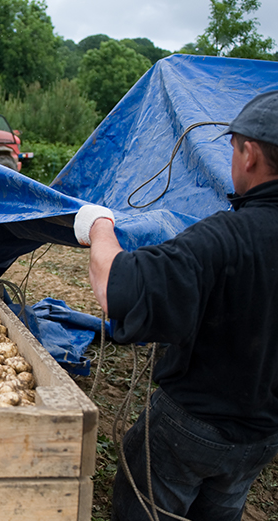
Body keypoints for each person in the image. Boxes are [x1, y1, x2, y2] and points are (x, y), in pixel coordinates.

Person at [73, 90, 278, 521]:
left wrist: (100, 226)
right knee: (222, 507)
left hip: (194, 424)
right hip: (264, 435)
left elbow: (115, 288)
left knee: (147, 504)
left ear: (251, 155)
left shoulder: (226, 237)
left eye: (233, 149)